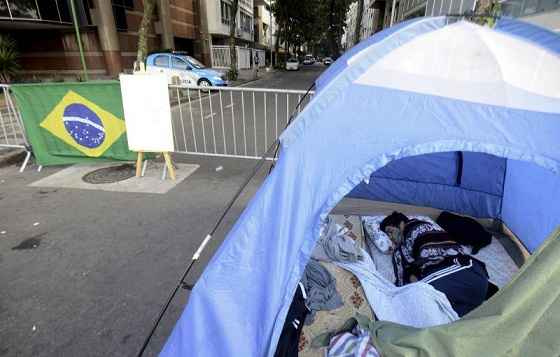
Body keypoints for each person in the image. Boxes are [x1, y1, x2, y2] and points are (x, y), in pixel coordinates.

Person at [380, 212, 492, 317]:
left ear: (400, 224)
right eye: (387, 234)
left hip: (460, 271)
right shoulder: (402, 249)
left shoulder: (417, 227)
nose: (390, 237)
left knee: (410, 303)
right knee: (442, 318)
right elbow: (405, 273)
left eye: (390, 231)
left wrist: (413, 282)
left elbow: (432, 249)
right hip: (473, 291)